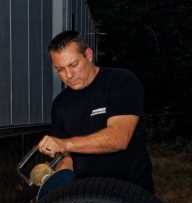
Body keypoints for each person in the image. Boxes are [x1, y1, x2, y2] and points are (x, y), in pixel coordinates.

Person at [38, 30, 154, 194]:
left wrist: (66, 144)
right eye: (60, 69)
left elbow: (119, 138)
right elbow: (67, 158)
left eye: (73, 65)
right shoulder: (60, 104)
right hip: (89, 198)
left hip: (131, 194)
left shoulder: (121, 82)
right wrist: (57, 184)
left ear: (88, 54)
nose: (68, 75)